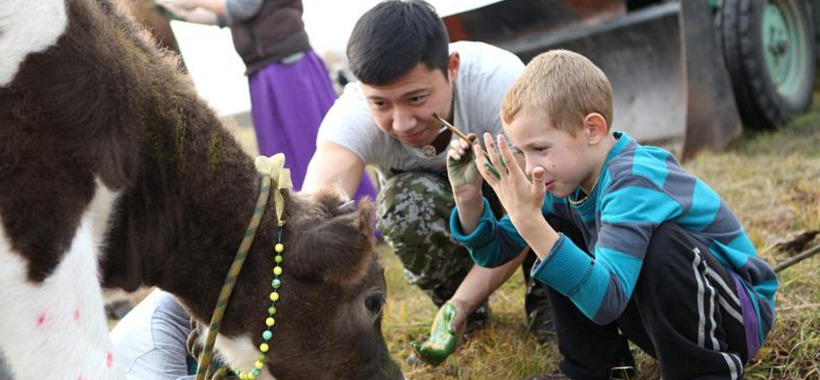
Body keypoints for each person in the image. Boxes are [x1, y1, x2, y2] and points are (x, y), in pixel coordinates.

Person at [446, 49, 779, 379]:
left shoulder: (634, 180)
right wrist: (467, 195)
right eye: (522, 151)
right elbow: (494, 252)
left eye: (541, 149)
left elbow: (607, 300)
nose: (530, 167)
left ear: (592, 129)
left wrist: (531, 222)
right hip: (670, 318)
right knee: (556, 229)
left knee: (661, 245)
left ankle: (706, 373)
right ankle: (594, 370)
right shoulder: (563, 185)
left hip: (736, 318)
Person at [301, 0, 555, 364]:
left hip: (518, 205)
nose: (402, 123)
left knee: (552, 185)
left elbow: (536, 206)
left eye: (415, 98)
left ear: (452, 68)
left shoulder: (500, 84)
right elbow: (314, 221)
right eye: (381, 104)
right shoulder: (352, 116)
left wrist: (461, 302)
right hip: (453, 214)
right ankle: (467, 315)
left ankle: (548, 293)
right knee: (403, 207)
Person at [157, 0, 375, 198]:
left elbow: (241, 7)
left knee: (311, 142)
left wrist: (190, 1)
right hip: (264, 71)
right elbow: (222, 17)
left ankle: (348, 212)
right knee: (280, 151)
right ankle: (303, 220)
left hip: (287, 69)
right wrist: (173, 10)